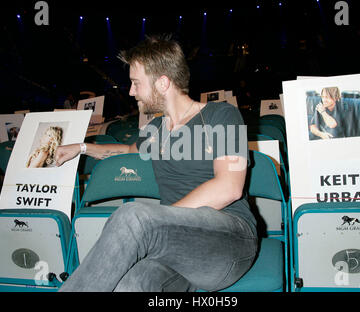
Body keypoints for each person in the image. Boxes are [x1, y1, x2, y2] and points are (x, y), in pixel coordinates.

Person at [55, 35, 257, 292]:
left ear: (163, 83)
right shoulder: (155, 130)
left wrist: (160, 220)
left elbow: (229, 188)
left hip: (229, 243)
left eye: (136, 83)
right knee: (129, 284)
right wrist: (81, 148)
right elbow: (126, 152)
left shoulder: (222, 115)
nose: (130, 91)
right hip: (177, 247)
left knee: (134, 217)